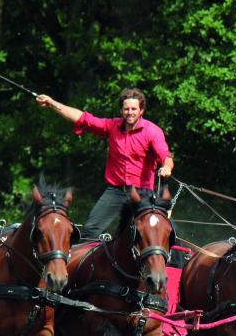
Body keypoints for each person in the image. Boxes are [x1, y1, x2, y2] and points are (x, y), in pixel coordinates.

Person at [36, 88, 174, 240]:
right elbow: (81, 118)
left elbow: (165, 156)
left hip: (142, 194)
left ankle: (171, 261)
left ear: (141, 110)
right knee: (90, 230)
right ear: (121, 110)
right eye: (126, 109)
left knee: (155, 234)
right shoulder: (112, 126)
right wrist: (52, 103)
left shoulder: (152, 131)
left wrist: (166, 167)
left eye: (134, 109)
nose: (130, 112)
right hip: (116, 192)